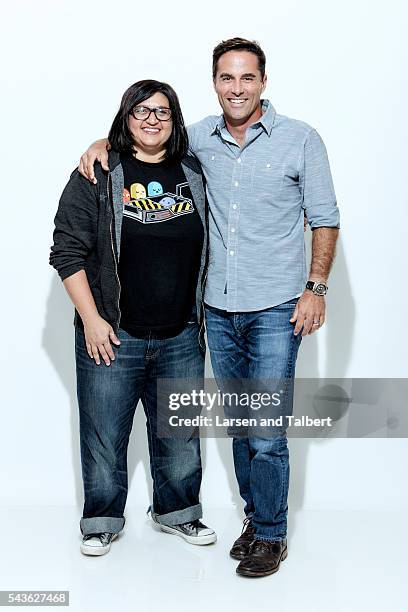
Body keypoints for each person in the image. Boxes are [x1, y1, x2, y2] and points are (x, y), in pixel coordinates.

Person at [78, 37, 340, 576]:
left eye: (247, 78)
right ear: (215, 82)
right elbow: (141, 138)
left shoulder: (301, 140)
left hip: (277, 307)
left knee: (266, 427)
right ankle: (254, 518)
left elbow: (326, 217)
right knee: (243, 424)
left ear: (263, 81)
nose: (236, 87)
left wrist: (316, 288)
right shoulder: (195, 138)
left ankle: (270, 533)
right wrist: (97, 144)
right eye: (226, 78)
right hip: (216, 311)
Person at [50, 79, 217, 556]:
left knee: (180, 437)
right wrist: (92, 319)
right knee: (104, 436)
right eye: (141, 111)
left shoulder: (193, 172)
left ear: (174, 120)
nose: (151, 120)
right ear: (126, 118)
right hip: (113, 334)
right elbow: (67, 251)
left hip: (181, 334)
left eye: (161, 112)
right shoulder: (98, 173)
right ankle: (101, 520)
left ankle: (178, 514)